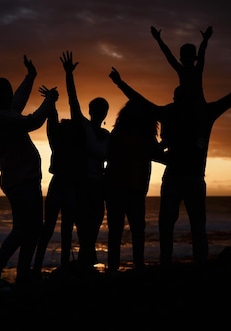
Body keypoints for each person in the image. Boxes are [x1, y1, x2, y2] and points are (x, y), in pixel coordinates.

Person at [109, 64, 231, 271]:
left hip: (189, 178)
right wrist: (120, 83)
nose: (182, 102)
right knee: (177, 226)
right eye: (180, 98)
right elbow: (142, 102)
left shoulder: (198, 112)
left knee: (189, 226)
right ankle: (174, 266)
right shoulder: (186, 112)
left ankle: (187, 265)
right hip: (179, 178)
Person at [0, 55, 59, 289]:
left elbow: (18, 101)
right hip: (20, 181)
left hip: (24, 179)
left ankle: (21, 275)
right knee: (24, 229)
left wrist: (30, 76)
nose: (9, 95)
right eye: (5, 92)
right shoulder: (1, 117)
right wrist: (51, 101)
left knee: (31, 230)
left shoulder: (4, 112)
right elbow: (34, 121)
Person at [105, 68, 167, 275]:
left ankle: (115, 268)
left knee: (118, 231)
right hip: (131, 189)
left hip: (121, 188)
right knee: (135, 231)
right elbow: (159, 156)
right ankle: (134, 267)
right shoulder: (141, 137)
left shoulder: (120, 133)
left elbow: (156, 155)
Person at [61, 50, 110, 276]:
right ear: (91, 111)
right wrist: (69, 76)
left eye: (103, 110)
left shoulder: (107, 135)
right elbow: (73, 101)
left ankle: (86, 263)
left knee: (93, 226)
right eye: (97, 110)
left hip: (98, 185)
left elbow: (110, 158)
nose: (99, 113)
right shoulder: (83, 125)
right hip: (84, 184)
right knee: (83, 226)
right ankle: (84, 265)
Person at [32, 99, 82, 277]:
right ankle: (42, 266)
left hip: (64, 186)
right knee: (57, 229)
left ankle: (46, 266)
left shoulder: (64, 143)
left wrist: (52, 103)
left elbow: (52, 124)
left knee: (59, 228)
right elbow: (52, 123)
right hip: (63, 186)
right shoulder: (65, 143)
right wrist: (51, 103)